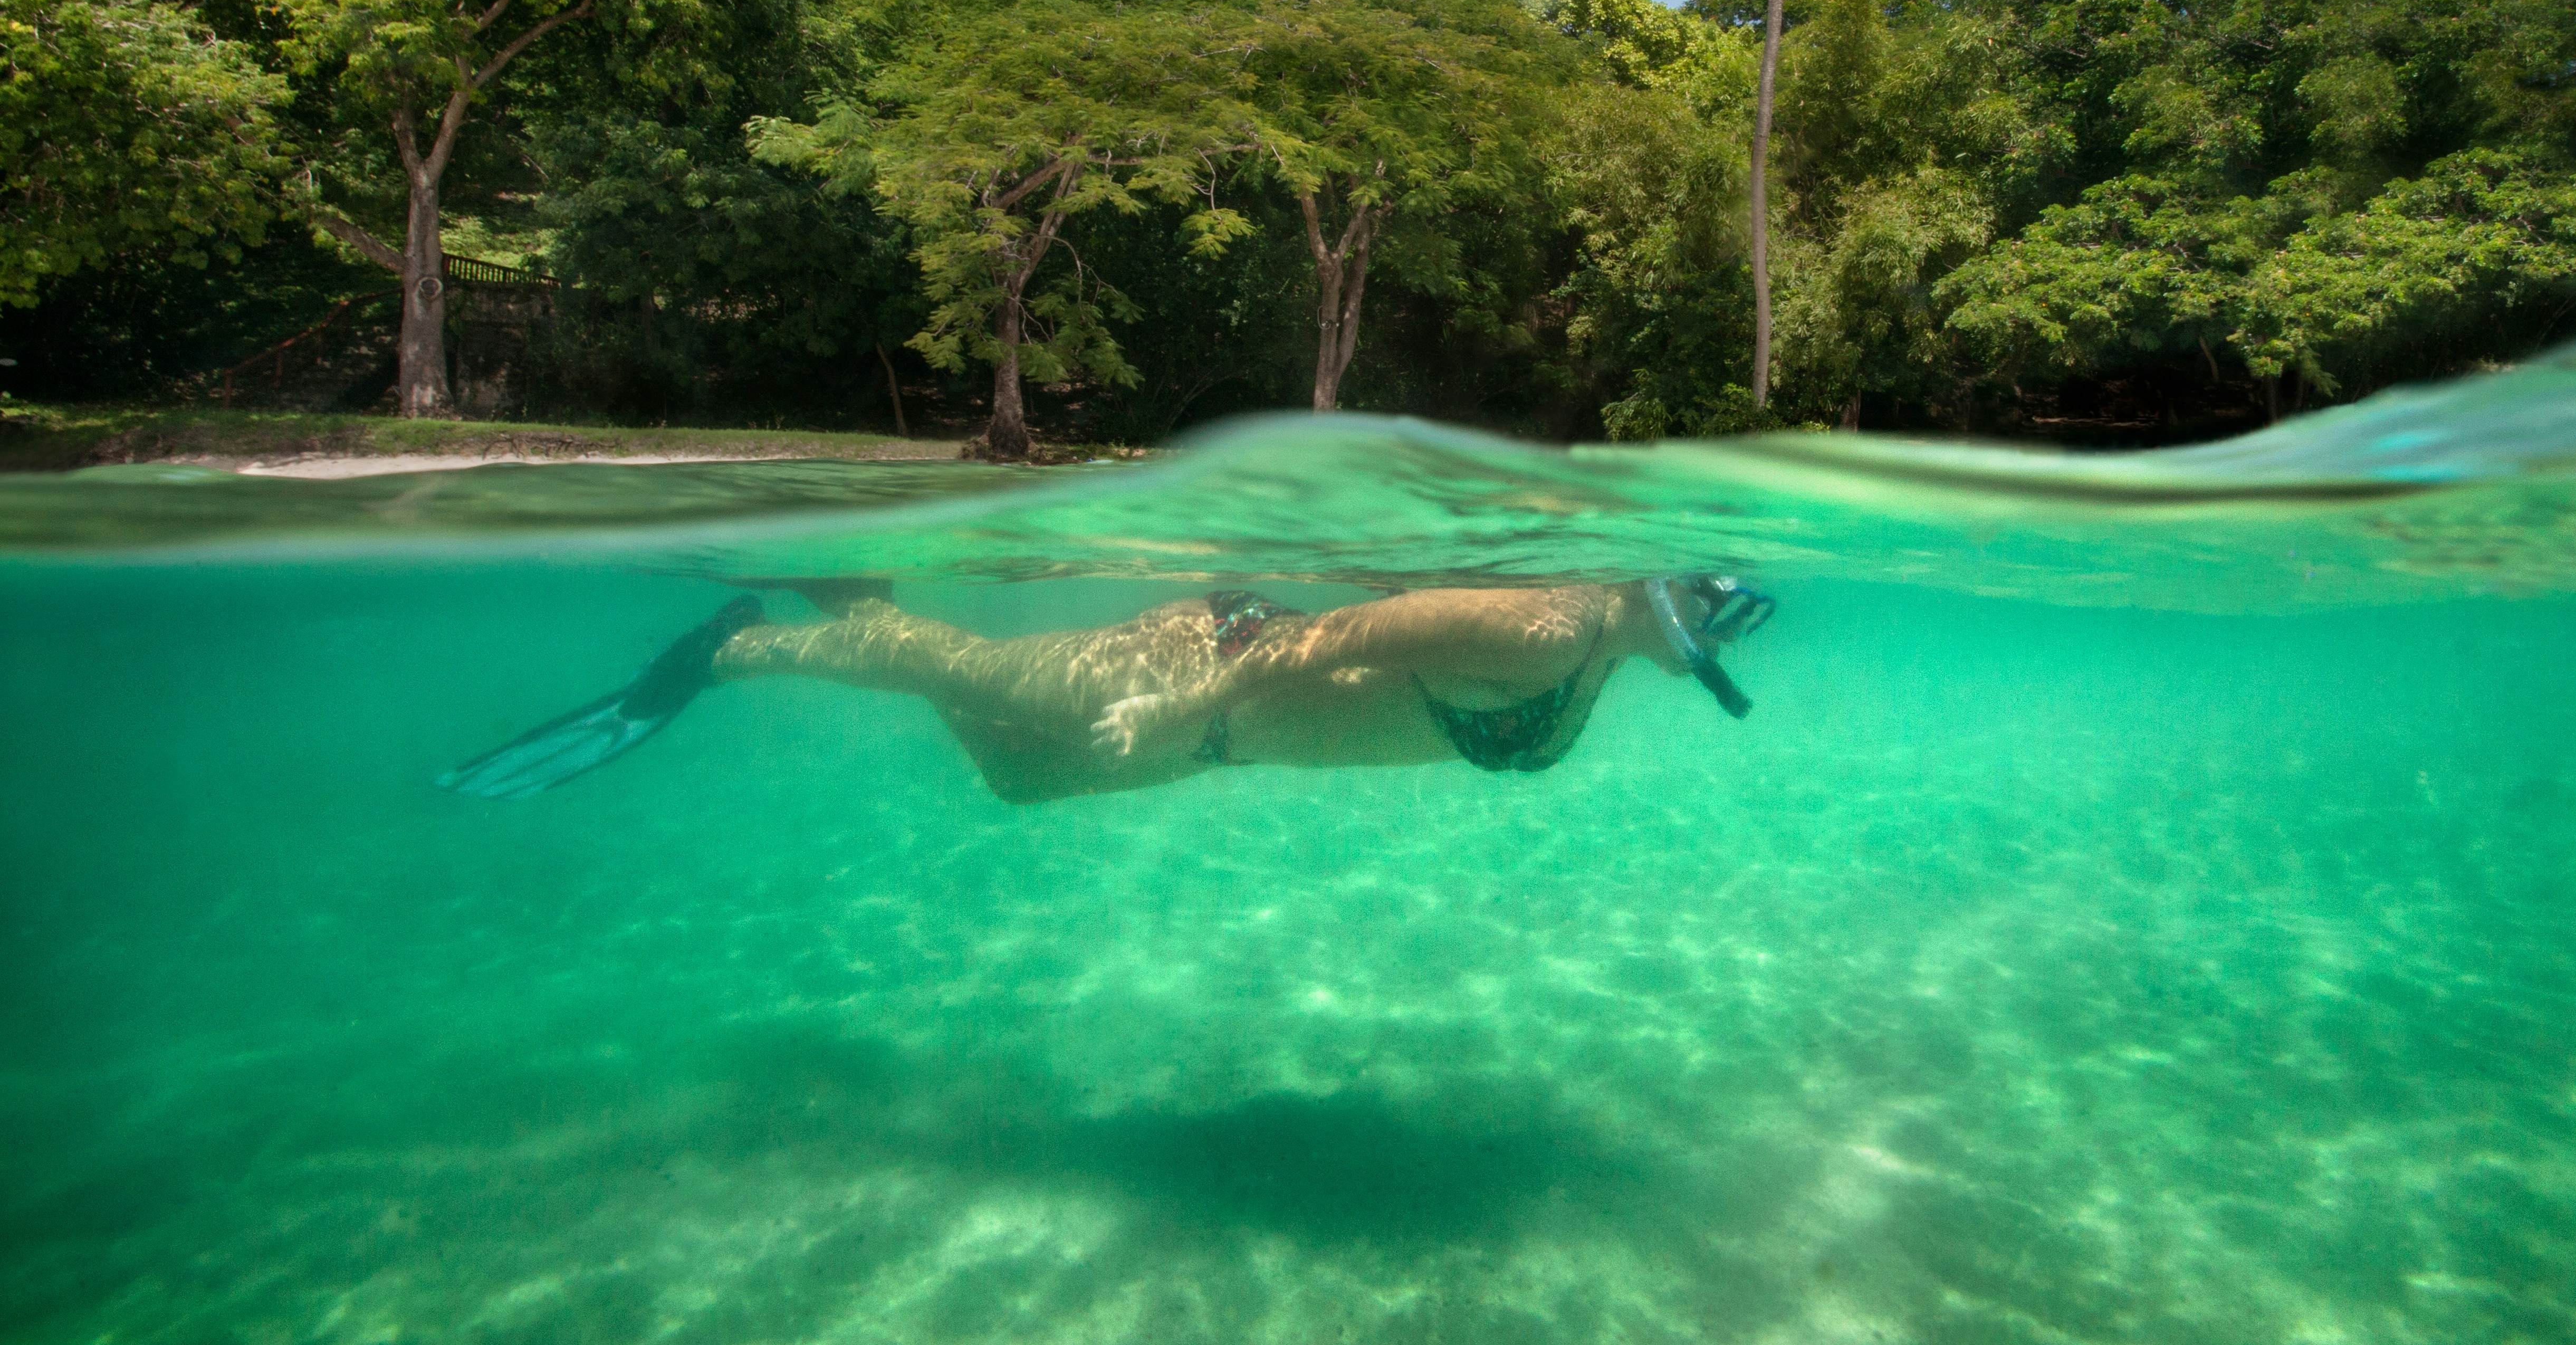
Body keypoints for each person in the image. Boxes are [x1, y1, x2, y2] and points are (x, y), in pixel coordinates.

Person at [440, 575, 1776, 805]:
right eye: (1726, 595)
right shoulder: (1545, 626)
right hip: (1201, 677)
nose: (1737, 621)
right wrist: (1180, 707)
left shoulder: (1599, 646)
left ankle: (873, 620)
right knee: (966, 674)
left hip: (1217, 735)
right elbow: (1332, 638)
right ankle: (733, 650)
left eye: (1743, 610)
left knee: (1016, 775)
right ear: (1670, 579)